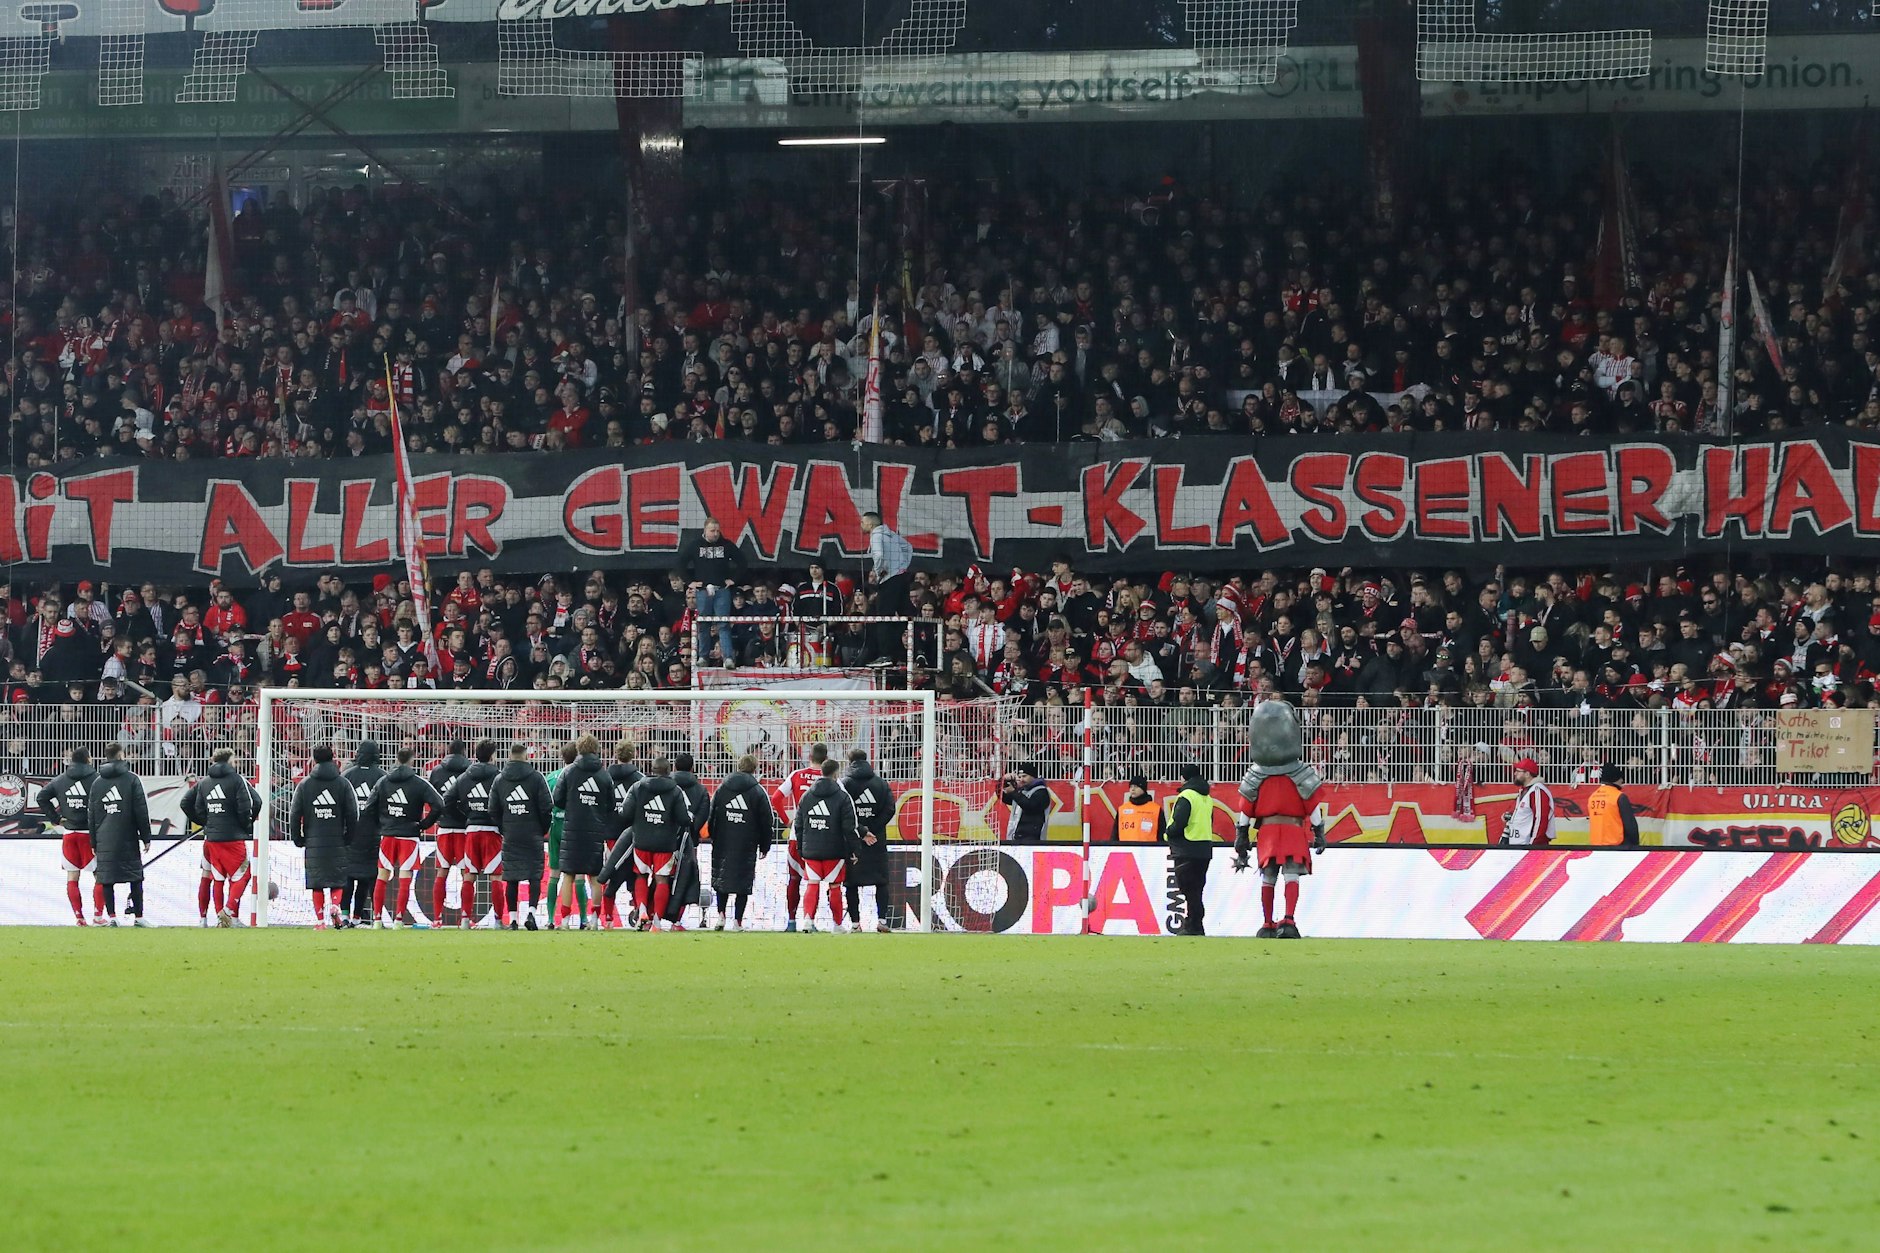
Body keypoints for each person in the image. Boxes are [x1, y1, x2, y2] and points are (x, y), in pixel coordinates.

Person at [1234, 700, 1326, 940]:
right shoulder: (1302, 773)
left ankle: (1267, 923)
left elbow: (1245, 811)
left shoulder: (1255, 774)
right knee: (1291, 874)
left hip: (1267, 831)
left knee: (1269, 876)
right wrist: (1319, 833)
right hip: (1293, 829)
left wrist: (1241, 836)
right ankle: (1288, 920)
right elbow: (1313, 806)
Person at [365, 746, 446, 929]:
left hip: (388, 835)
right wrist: (424, 825)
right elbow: (439, 804)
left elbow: (369, 807)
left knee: (382, 875)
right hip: (408, 836)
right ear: (412, 760)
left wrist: (381, 825)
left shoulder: (383, 781)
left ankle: (377, 919)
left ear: (396, 759)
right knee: (405, 876)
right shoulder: (419, 783)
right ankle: (399, 920)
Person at [606, 756, 689, 931]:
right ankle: (657, 921)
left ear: (652, 770)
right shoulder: (675, 791)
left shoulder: (638, 787)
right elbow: (683, 819)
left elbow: (626, 814)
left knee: (640, 875)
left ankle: (642, 910)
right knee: (661, 880)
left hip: (641, 840)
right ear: (669, 771)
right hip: (665, 843)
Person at [182, 746, 262, 927]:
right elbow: (254, 802)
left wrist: (206, 822)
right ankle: (228, 913)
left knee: (215, 877)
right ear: (230, 761)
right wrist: (246, 825)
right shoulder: (237, 780)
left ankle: (207, 919)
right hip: (232, 837)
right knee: (242, 876)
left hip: (211, 838)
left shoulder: (204, 782)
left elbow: (186, 803)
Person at [287, 744, 361, 930]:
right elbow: (353, 813)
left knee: (317, 882)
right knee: (337, 879)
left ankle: (320, 921)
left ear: (314, 759)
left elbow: (294, 814)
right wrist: (349, 836)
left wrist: (298, 838)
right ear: (333, 758)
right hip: (337, 840)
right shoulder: (343, 783)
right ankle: (335, 905)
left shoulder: (305, 785)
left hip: (313, 841)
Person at [550, 734, 615, 930]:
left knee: (568, 876)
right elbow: (611, 805)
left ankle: (565, 921)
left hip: (572, 830)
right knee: (594, 877)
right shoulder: (604, 774)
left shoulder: (569, 772)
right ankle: (594, 920)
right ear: (596, 749)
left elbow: (557, 799)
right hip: (595, 831)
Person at [1158, 763, 1228, 936]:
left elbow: (1180, 821)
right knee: (1197, 888)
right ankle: (1196, 923)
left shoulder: (1186, 796)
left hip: (1187, 847)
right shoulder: (1207, 798)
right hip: (1204, 848)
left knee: (1188, 889)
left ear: (1184, 777)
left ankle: (1193, 924)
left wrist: (1169, 832)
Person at [441, 739, 505, 928]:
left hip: (471, 830)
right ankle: (498, 921)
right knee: (495, 877)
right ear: (492, 756)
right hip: (491, 831)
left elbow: (447, 800)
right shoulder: (498, 777)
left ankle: (465, 920)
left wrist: (465, 816)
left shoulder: (465, 777)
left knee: (469, 875)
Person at [87, 744, 152, 926]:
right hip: (128, 836)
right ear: (121, 755)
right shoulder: (132, 780)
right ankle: (139, 918)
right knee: (135, 877)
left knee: (107, 878)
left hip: (104, 837)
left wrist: (94, 841)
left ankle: (112, 917)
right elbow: (141, 810)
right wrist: (146, 837)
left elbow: (91, 815)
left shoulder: (97, 783)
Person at [707, 754, 774, 931]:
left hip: (723, 840)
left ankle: (720, 916)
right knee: (742, 883)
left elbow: (712, 814)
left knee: (721, 880)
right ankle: (737, 921)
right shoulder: (758, 791)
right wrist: (765, 844)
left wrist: (714, 836)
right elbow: (767, 820)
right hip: (747, 843)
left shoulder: (722, 789)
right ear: (755, 769)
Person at [792, 758, 858, 932]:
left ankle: (807, 920)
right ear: (836, 774)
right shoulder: (842, 797)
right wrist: (854, 849)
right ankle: (837, 925)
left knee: (812, 884)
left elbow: (798, 825)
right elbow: (849, 827)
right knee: (834, 887)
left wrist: (801, 847)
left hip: (811, 849)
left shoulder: (807, 796)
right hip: (834, 850)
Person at [39, 747, 103, 925]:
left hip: (69, 833)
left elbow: (41, 797)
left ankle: (79, 917)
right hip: (90, 834)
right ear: (88, 759)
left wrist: (56, 819)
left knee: (72, 877)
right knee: (100, 876)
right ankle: (98, 916)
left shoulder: (60, 780)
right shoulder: (97, 779)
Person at [493, 743, 553, 930]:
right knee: (534, 875)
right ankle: (532, 914)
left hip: (511, 834)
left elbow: (493, 809)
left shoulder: (500, 780)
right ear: (526, 757)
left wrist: (505, 828)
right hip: (533, 832)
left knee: (511, 877)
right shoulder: (536, 778)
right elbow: (546, 808)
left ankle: (512, 920)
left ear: (509, 757)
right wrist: (541, 829)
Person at [773, 742, 829, 932]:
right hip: (822, 836)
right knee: (815, 881)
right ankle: (810, 920)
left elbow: (776, 798)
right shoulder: (829, 777)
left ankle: (791, 921)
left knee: (794, 879)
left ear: (809, 757)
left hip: (798, 835)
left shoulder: (796, 775)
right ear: (826, 759)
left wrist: (786, 820)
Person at [842, 748, 896, 933]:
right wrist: (873, 830)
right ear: (866, 760)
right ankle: (882, 921)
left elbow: (844, 814)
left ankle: (855, 924)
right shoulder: (881, 783)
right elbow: (890, 809)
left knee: (851, 882)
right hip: (877, 840)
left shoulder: (845, 784)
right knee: (881, 881)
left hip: (853, 840)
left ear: (850, 762)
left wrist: (861, 831)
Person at [680, 517, 744, 668]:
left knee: (723, 624)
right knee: (703, 625)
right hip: (703, 591)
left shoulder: (726, 545)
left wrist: (733, 580)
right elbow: (680, 563)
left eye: (717, 530)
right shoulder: (695, 546)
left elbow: (743, 562)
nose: (715, 533)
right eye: (712, 530)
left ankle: (728, 658)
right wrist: (690, 582)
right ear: (705, 530)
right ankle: (703, 657)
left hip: (721, 590)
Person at [598, 740, 644, 928]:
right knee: (636, 874)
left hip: (610, 835)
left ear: (615, 754)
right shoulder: (640, 779)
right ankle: (639, 912)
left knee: (610, 873)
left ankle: (607, 918)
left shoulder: (604, 777)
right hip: (633, 835)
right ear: (633, 755)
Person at [340, 740, 385, 927]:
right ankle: (359, 918)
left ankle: (344, 916)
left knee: (348, 877)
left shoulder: (347, 776)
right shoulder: (382, 777)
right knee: (367, 878)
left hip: (349, 834)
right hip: (373, 834)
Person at [427, 739, 472, 928]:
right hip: (464, 827)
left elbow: (432, 798)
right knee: (466, 873)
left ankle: (437, 919)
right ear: (464, 751)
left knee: (441, 872)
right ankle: (465, 919)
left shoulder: (437, 771)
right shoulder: (470, 770)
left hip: (444, 827)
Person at [543, 741, 588, 929]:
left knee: (554, 873)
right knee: (578, 874)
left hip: (555, 826)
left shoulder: (551, 777)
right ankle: (584, 919)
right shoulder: (581, 777)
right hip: (574, 827)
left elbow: (546, 803)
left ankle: (551, 919)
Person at [861, 510, 913, 663]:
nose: (861, 525)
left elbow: (878, 555)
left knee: (883, 616)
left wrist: (878, 572)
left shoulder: (876, 535)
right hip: (902, 577)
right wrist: (902, 566)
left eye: (863, 522)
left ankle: (885, 655)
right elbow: (908, 547)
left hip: (889, 579)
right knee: (905, 614)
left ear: (870, 524)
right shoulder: (890, 534)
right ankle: (905, 652)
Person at [670, 751, 711, 925]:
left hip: (667, 839)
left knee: (663, 877)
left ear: (674, 767)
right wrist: (691, 830)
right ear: (693, 768)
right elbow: (702, 818)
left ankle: (654, 916)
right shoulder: (701, 790)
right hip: (690, 842)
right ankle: (677, 921)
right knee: (685, 879)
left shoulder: (667, 786)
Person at [1501, 757, 1556, 847]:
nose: (1515, 774)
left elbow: (1540, 820)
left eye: (1518, 771)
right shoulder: (1526, 790)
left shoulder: (1537, 790)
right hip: (1519, 845)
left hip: (1528, 846)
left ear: (1527, 774)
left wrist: (1533, 846)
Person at [1586, 761, 1642, 847]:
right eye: (1621, 778)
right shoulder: (1619, 797)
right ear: (1615, 779)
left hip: (1596, 846)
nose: (1622, 781)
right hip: (1616, 846)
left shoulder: (1592, 797)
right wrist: (1635, 844)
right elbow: (1630, 825)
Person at [1000, 761, 1051, 843]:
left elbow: (1029, 806)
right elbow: (1003, 797)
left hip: (1033, 840)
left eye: (1024, 776)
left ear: (1033, 776)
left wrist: (1013, 792)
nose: (1021, 779)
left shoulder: (1041, 792)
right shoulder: (1022, 791)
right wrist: (1003, 781)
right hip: (1016, 837)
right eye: (1019, 777)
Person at [1112, 774, 1160, 843]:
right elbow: (1115, 834)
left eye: (1136, 786)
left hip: (1149, 851)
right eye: (1131, 787)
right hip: (1126, 850)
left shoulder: (1156, 809)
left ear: (1143, 789)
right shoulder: (1122, 809)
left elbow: (1161, 833)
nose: (1132, 789)